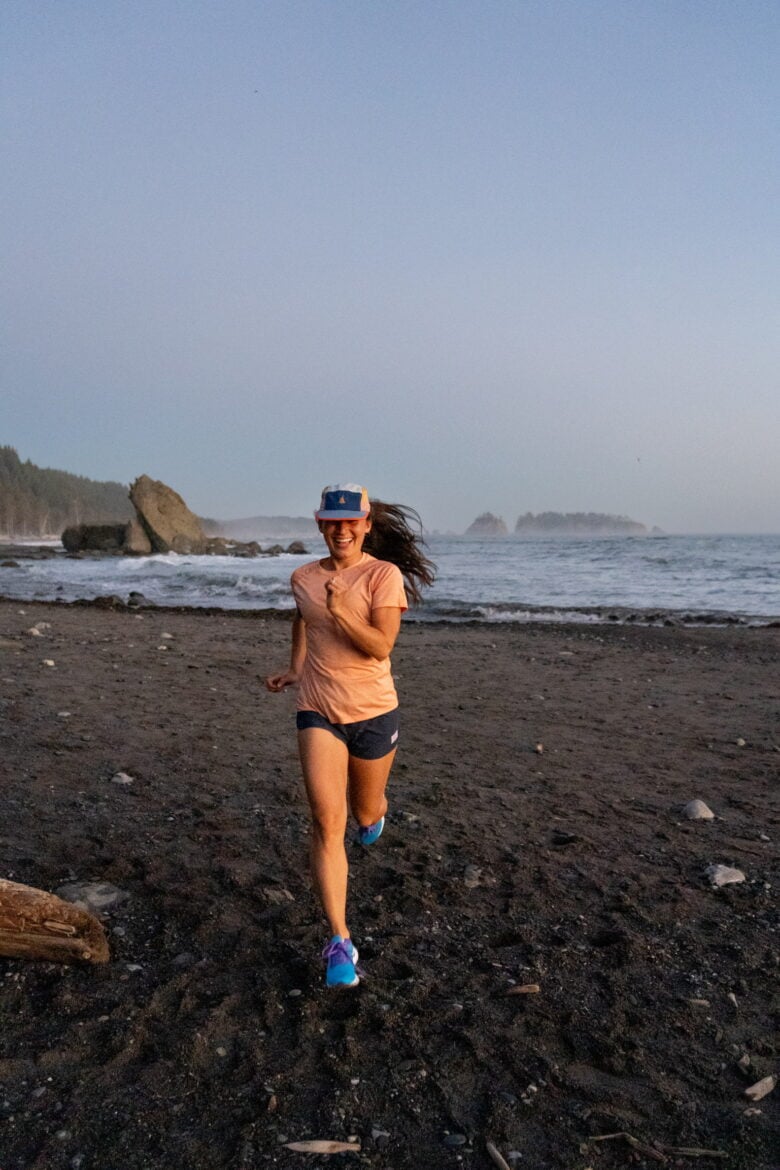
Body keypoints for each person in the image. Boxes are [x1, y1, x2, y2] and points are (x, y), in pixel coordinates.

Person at [265, 484, 435, 988]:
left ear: (365, 526)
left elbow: (381, 647)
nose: (341, 530)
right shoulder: (303, 577)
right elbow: (302, 620)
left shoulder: (384, 576)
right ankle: (340, 940)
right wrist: (297, 669)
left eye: (350, 522)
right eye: (331, 522)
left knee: (364, 811)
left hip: (374, 712)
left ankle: (375, 815)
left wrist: (342, 611)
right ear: (321, 525)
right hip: (317, 709)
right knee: (325, 821)